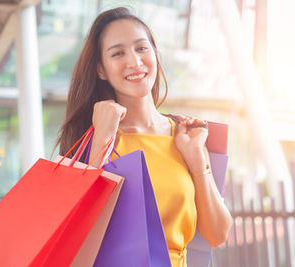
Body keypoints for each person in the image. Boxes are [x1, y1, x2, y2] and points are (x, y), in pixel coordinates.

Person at [56, 7, 232, 267]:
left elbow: (217, 234)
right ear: (101, 70)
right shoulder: (95, 140)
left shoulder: (185, 136)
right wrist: (102, 141)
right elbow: (80, 241)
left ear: (155, 54)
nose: (135, 61)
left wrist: (197, 158)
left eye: (142, 48)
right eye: (118, 53)